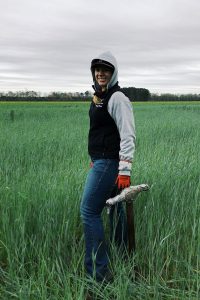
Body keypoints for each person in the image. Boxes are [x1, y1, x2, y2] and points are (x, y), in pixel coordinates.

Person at [80, 51, 136, 283]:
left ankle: (99, 274)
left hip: (109, 163)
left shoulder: (117, 98)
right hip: (102, 161)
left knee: (89, 211)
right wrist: (95, 156)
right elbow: (102, 132)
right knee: (114, 210)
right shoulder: (100, 97)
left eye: (106, 69)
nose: (101, 73)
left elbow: (128, 135)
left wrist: (124, 170)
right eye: (97, 69)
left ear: (113, 73)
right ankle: (124, 258)